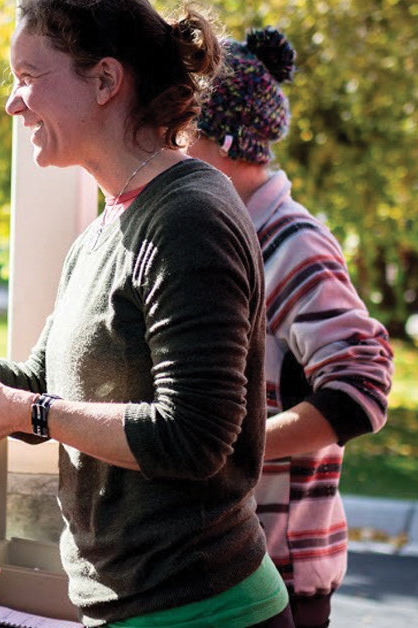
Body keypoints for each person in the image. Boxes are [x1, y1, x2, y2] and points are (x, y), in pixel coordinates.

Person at [0, 1, 295, 626]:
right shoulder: (104, 230)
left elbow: (193, 438)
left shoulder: (189, 216)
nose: (13, 103)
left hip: (206, 611)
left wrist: (28, 413)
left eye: (28, 76)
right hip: (126, 607)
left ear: (104, 80)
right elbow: (40, 387)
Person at [186, 27, 394, 628]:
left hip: (281, 580)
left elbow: (364, 388)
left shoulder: (291, 243)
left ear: (220, 139)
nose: (165, 146)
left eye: (180, 130)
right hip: (232, 568)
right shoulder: (231, 233)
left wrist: (231, 452)